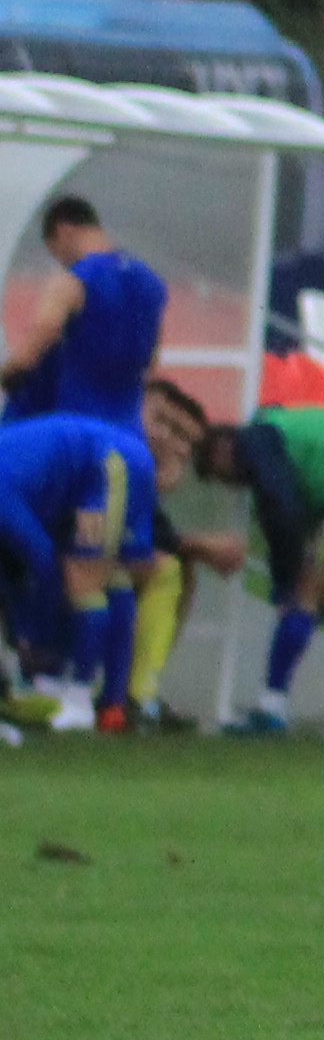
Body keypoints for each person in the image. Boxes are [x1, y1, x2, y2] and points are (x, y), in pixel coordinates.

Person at [148, 380, 324, 740]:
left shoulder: (258, 439)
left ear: (222, 450)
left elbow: (279, 507)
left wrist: (285, 578)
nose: (234, 487)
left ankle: (272, 708)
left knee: (301, 598)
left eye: (221, 476)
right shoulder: (292, 432)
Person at [5, 196, 172, 726]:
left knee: (78, 571)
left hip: (85, 446)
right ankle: (112, 702)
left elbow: (32, 353)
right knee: (116, 571)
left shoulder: (73, 280)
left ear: (63, 230)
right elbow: (151, 366)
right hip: (131, 443)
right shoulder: (151, 284)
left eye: (55, 249)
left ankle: (64, 685)